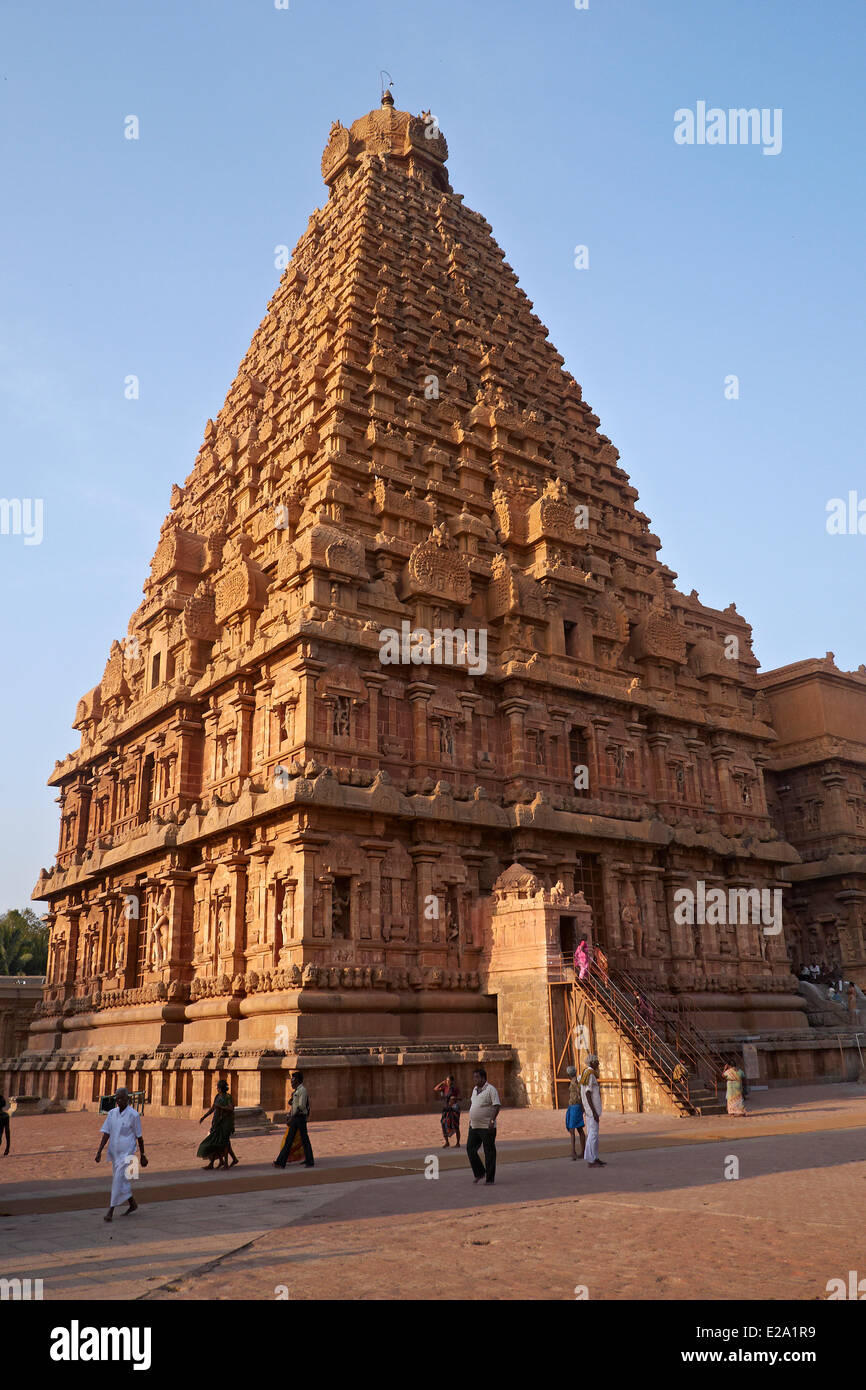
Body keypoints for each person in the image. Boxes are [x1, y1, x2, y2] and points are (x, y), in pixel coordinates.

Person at [94, 1087, 147, 1222]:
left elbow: (139, 1137)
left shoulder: (133, 1115)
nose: (119, 1100)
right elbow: (107, 1132)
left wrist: (143, 1155)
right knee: (121, 1180)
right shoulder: (112, 1113)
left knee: (117, 1180)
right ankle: (132, 1203)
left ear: (128, 1099)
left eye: (122, 1098)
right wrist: (99, 1151)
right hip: (114, 1152)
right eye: (117, 1098)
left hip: (128, 1153)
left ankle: (110, 1210)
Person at [466, 1067, 500, 1185]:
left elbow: (496, 1105)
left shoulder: (491, 1089)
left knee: (489, 1151)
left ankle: (490, 1178)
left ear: (483, 1078)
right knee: (470, 1149)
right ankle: (480, 1172)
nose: (475, 1079)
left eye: (477, 1077)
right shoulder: (475, 1090)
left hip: (487, 1126)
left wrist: (492, 1120)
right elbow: (474, 1105)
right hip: (474, 1126)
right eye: (474, 1077)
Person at [274, 1070, 314, 1168]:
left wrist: (293, 1117)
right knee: (290, 1140)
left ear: (298, 1081)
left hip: (299, 1118)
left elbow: (301, 1106)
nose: (291, 1082)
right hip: (295, 1118)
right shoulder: (296, 1091)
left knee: (303, 1140)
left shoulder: (302, 1091)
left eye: (293, 1080)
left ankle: (309, 1161)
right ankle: (280, 1162)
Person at [197, 1079, 238, 1169]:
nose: (217, 1089)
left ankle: (225, 1163)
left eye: (218, 1087)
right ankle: (214, 1163)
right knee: (215, 1142)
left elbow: (231, 1108)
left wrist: (221, 1107)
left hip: (225, 1122)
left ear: (221, 1088)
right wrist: (204, 1116)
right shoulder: (217, 1097)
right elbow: (213, 1108)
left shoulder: (228, 1097)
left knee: (224, 1143)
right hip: (217, 1122)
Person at [580, 1055, 605, 1167]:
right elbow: (588, 1093)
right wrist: (593, 1111)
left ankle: (594, 1157)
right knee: (593, 1134)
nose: (598, 1064)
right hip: (591, 1110)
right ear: (593, 1063)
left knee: (592, 1133)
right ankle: (591, 1160)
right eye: (597, 1062)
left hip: (590, 1109)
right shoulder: (589, 1075)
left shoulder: (586, 1073)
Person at [433, 1074, 461, 1148]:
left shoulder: (455, 1089)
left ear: (452, 1081)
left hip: (454, 1108)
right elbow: (435, 1089)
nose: (448, 1082)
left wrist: (454, 1098)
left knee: (456, 1125)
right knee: (443, 1123)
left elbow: (460, 1097)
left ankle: (458, 1143)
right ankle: (447, 1142)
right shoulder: (444, 1088)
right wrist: (442, 1082)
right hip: (446, 1108)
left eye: (449, 1081)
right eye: (447, 1081)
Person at [564, 1065, 585, 1160]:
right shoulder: (576, 1081)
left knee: (573, 1130)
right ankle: (581, 1151)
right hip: (574, 1107)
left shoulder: (575, 1082)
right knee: (579, 1129)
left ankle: (574, 1151)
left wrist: (582, 1106)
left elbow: (579, 1094)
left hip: (575, 1107)